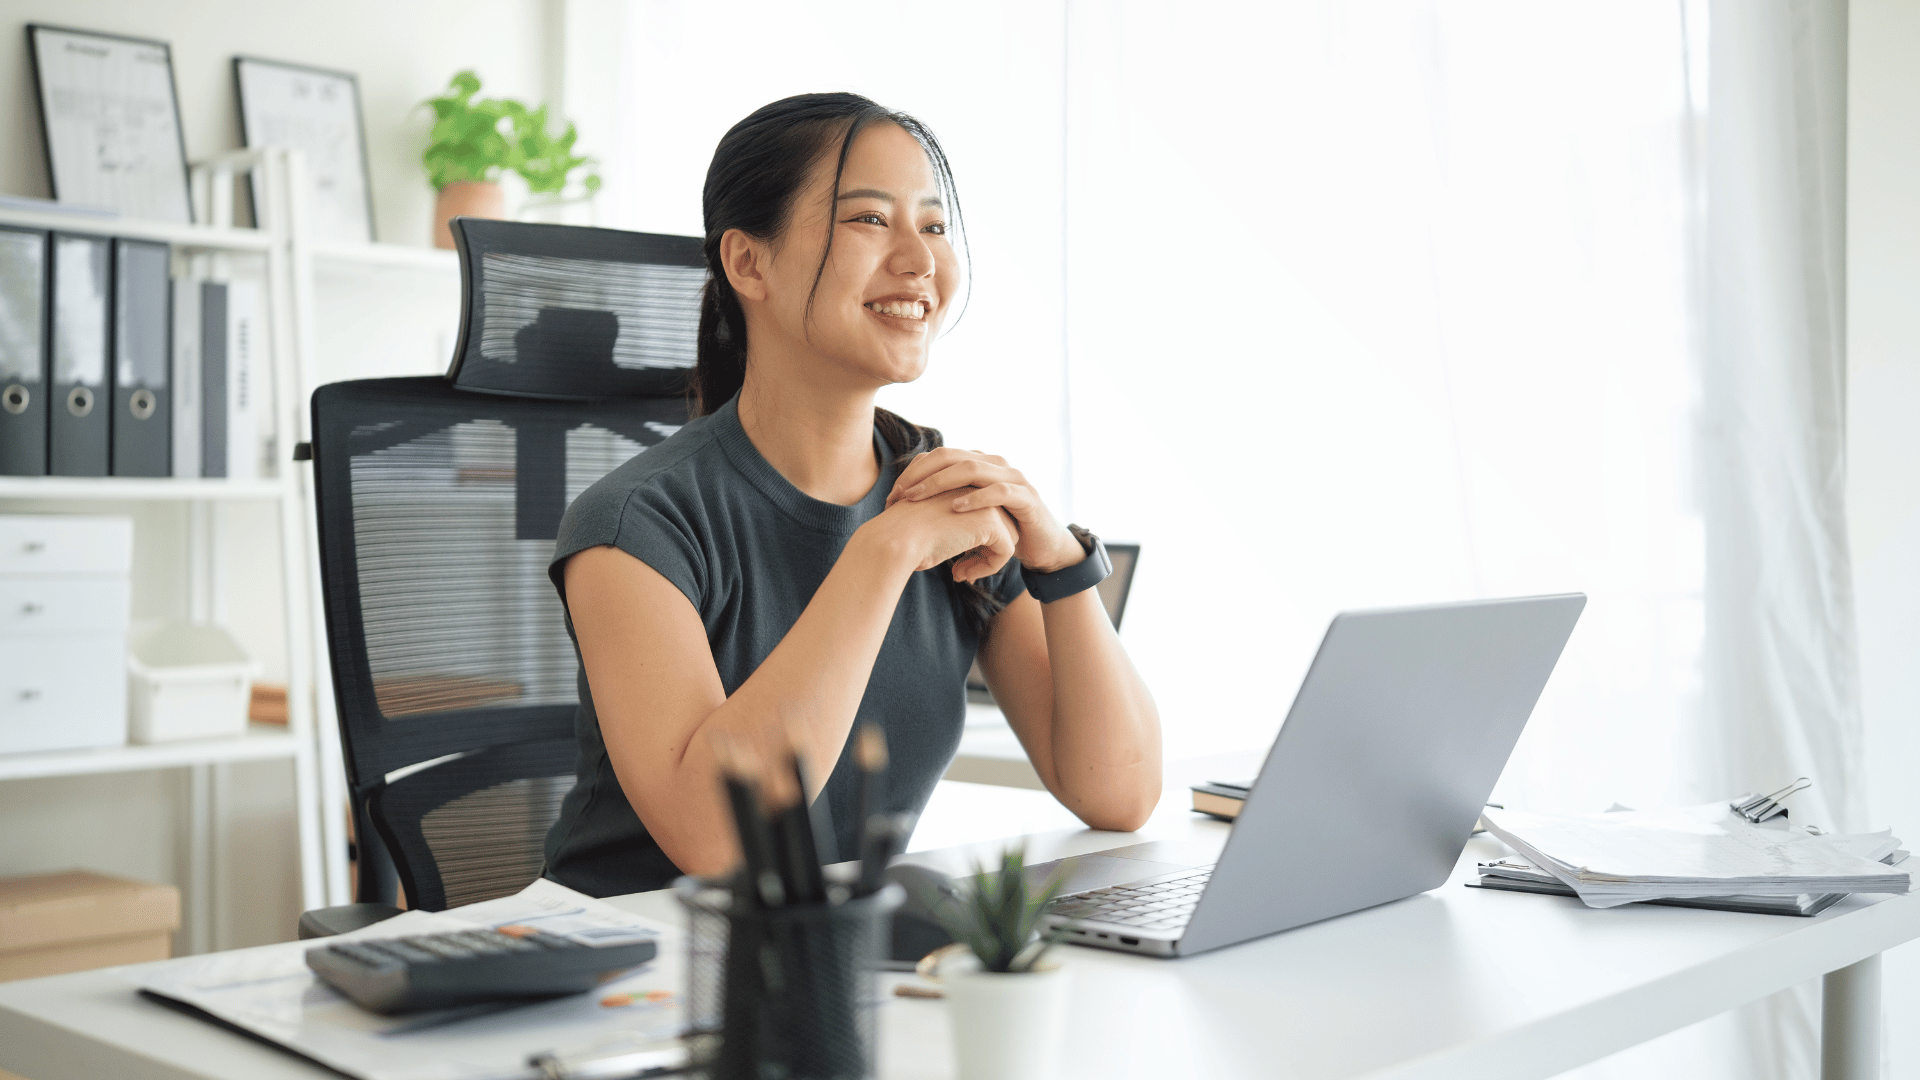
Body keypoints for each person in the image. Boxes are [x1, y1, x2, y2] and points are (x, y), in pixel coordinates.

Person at [542, 92, 1160, 897]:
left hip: (839, 958)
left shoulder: (950, 500)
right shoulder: (635, 524)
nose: (920, 261)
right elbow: (723, 843)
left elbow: (1120, 793)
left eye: (934, 226)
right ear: (749, 263)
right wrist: (882, 551)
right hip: (641, 966)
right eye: (870, 220)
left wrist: (1064, 562)